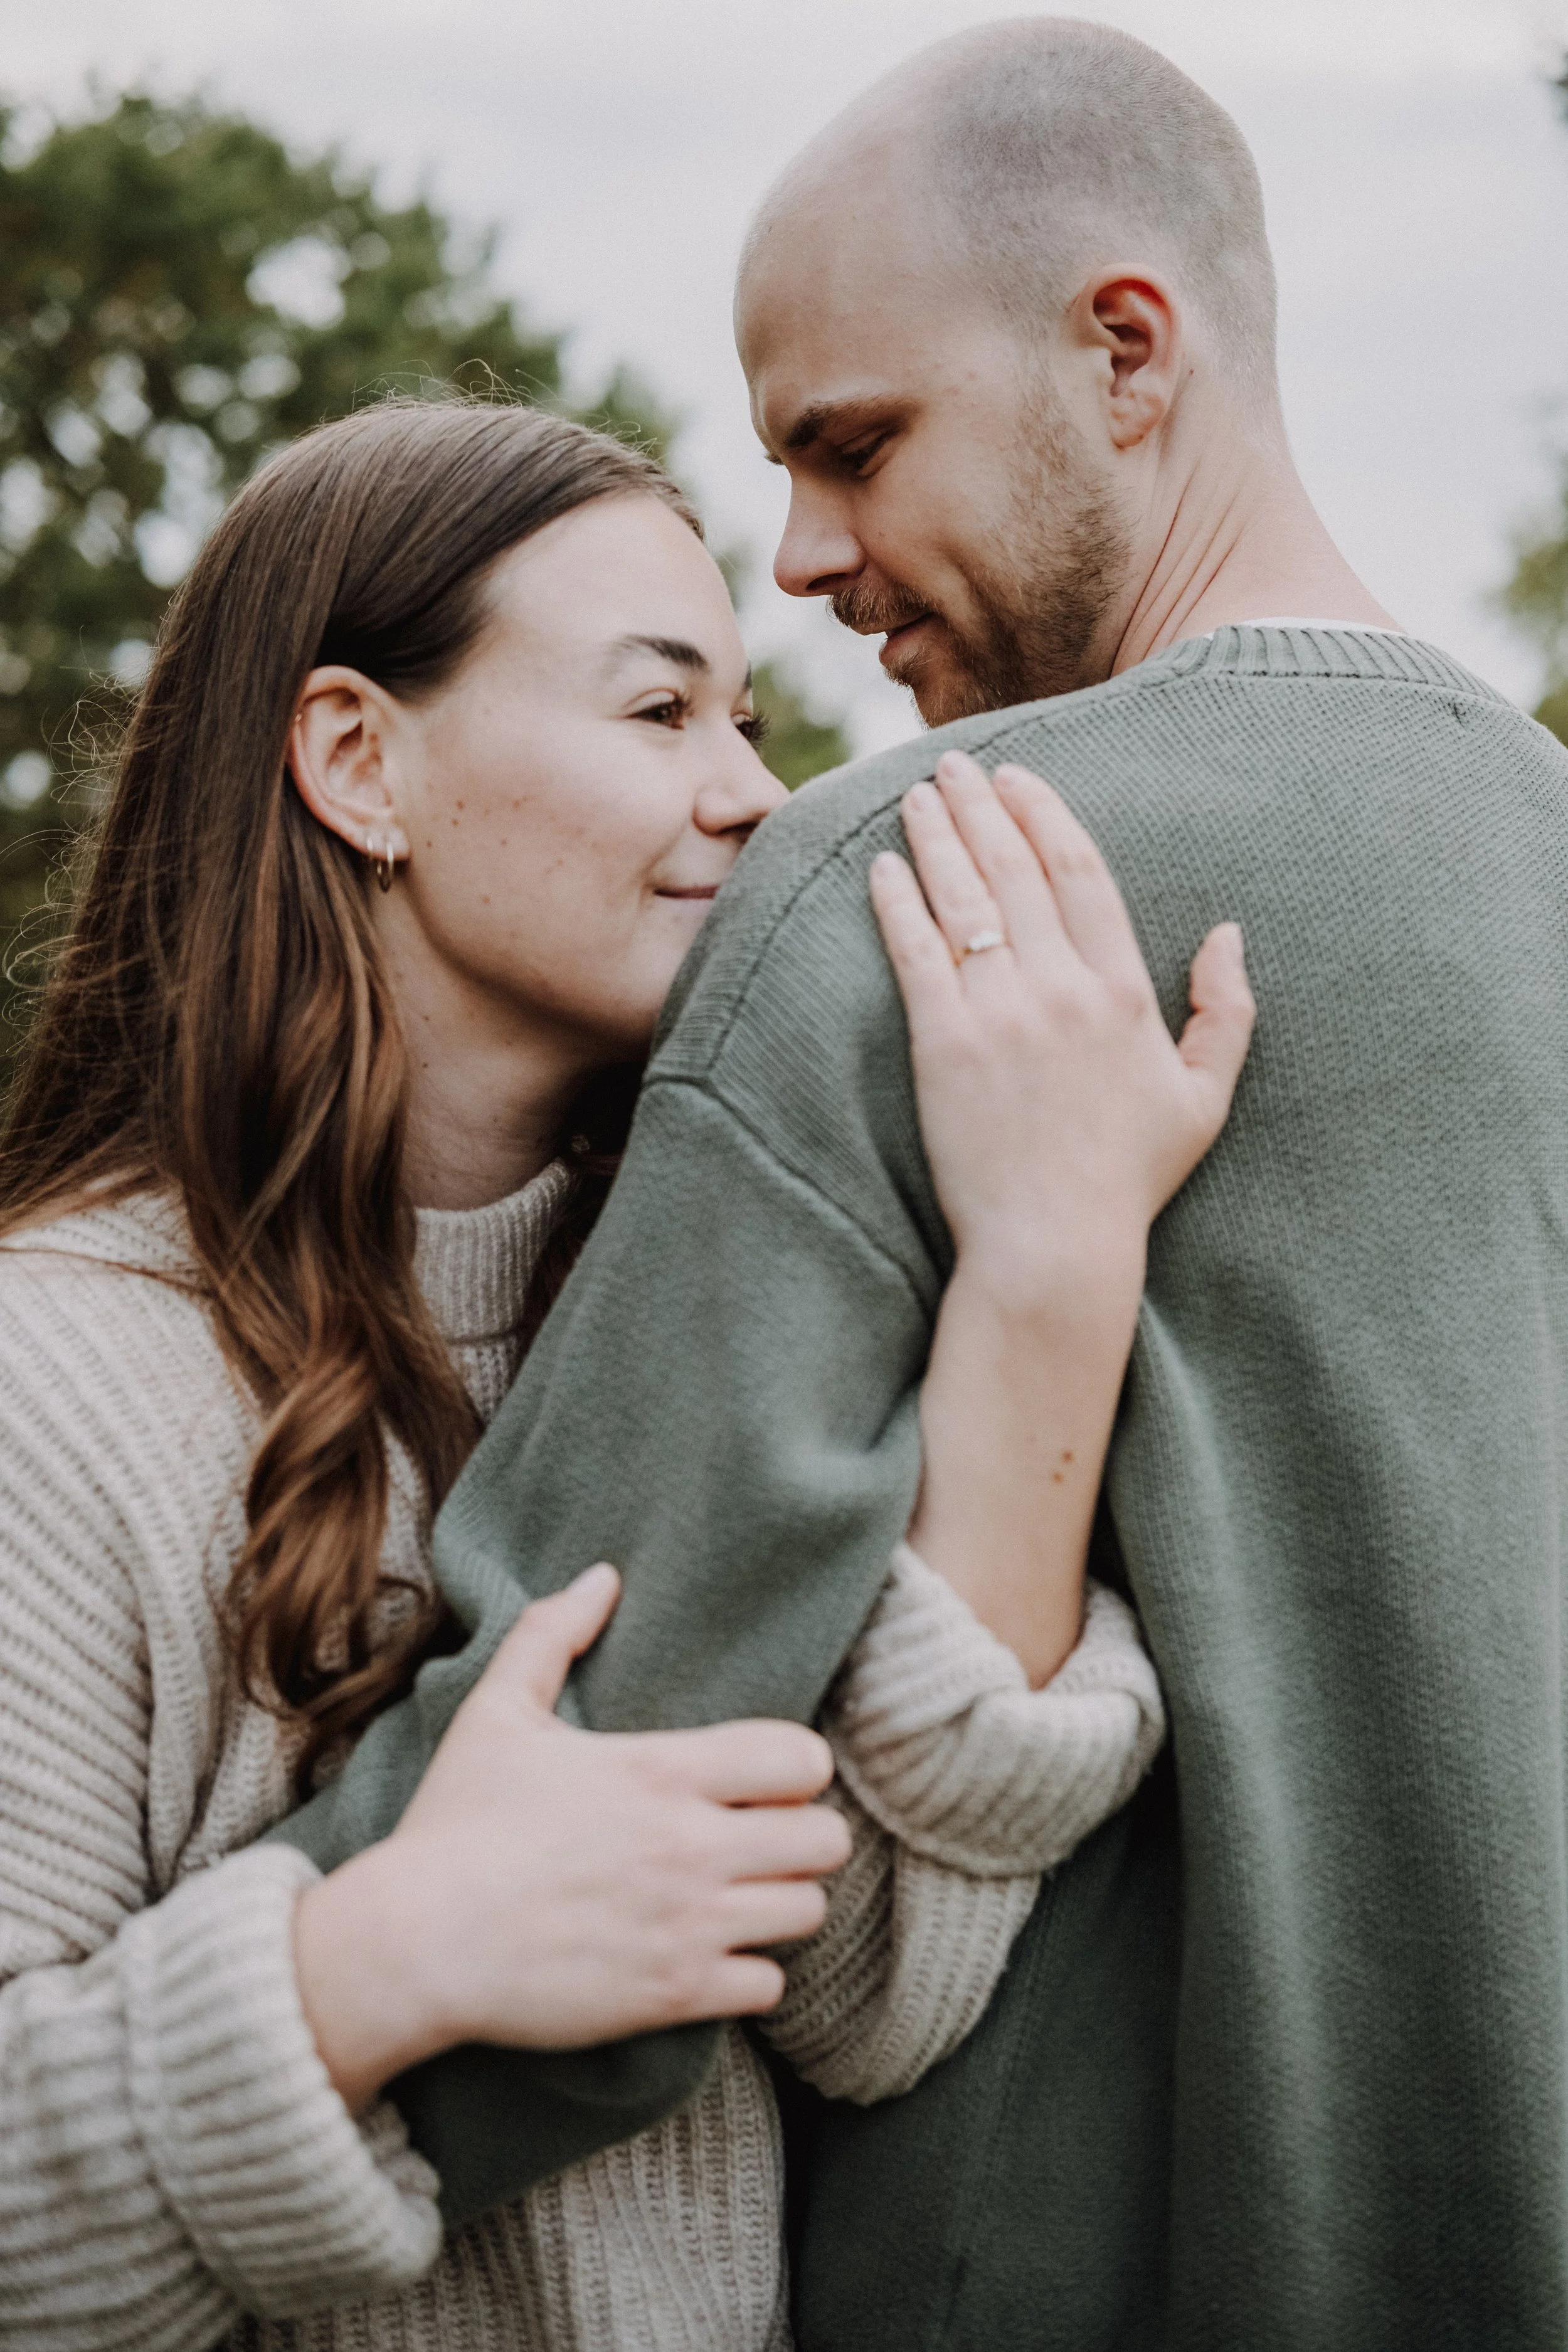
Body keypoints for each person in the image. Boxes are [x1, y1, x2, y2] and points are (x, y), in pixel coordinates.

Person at [270, 20, 1568, 2352]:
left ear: (1123, 353)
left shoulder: (931, 880)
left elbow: (588, 1804)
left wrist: (143, 2087)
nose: (806, 558)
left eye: (854, 445)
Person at [0, 393, 1244, 2350]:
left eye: (746, 718)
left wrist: (1048, 1269)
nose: (754, 793)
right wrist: (371, 1958)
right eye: (663, 713)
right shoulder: (53, 1377)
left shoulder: (728, 1294)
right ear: (354, 757)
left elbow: (869, 2000)